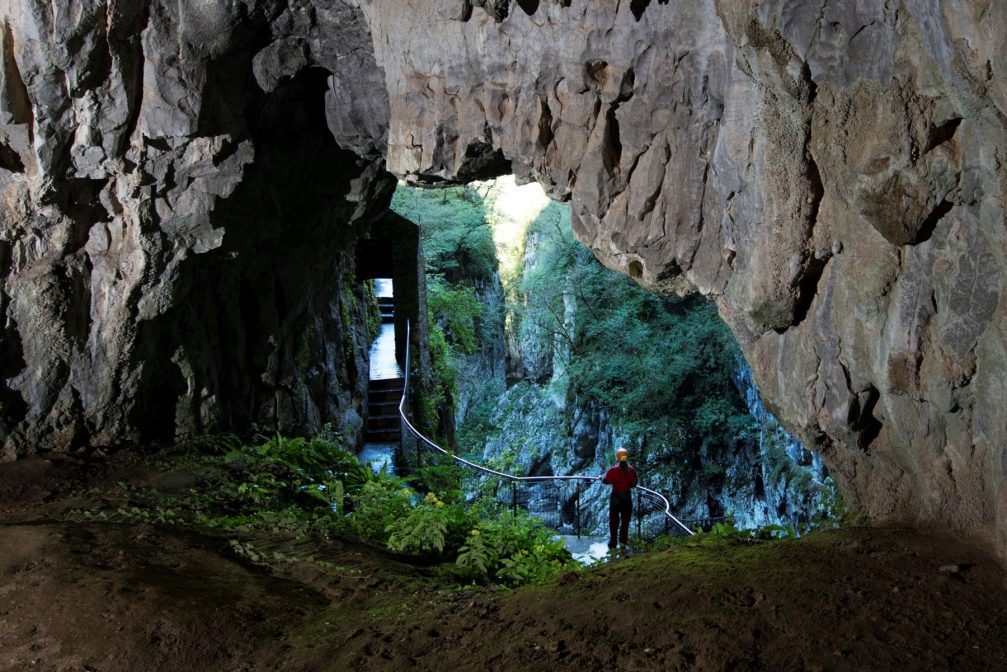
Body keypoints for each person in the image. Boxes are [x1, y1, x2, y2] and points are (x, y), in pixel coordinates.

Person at [601, 447, 638, 549]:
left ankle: (613, 543)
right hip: (626, 497)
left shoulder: (613, 470)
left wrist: (601, 478)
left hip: (616, 498)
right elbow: (634, 483)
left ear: (617, 457)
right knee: (625, 521)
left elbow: (606, 481)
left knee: (614, 521)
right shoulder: (631, 470)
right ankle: (623, 543)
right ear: (626, 457)